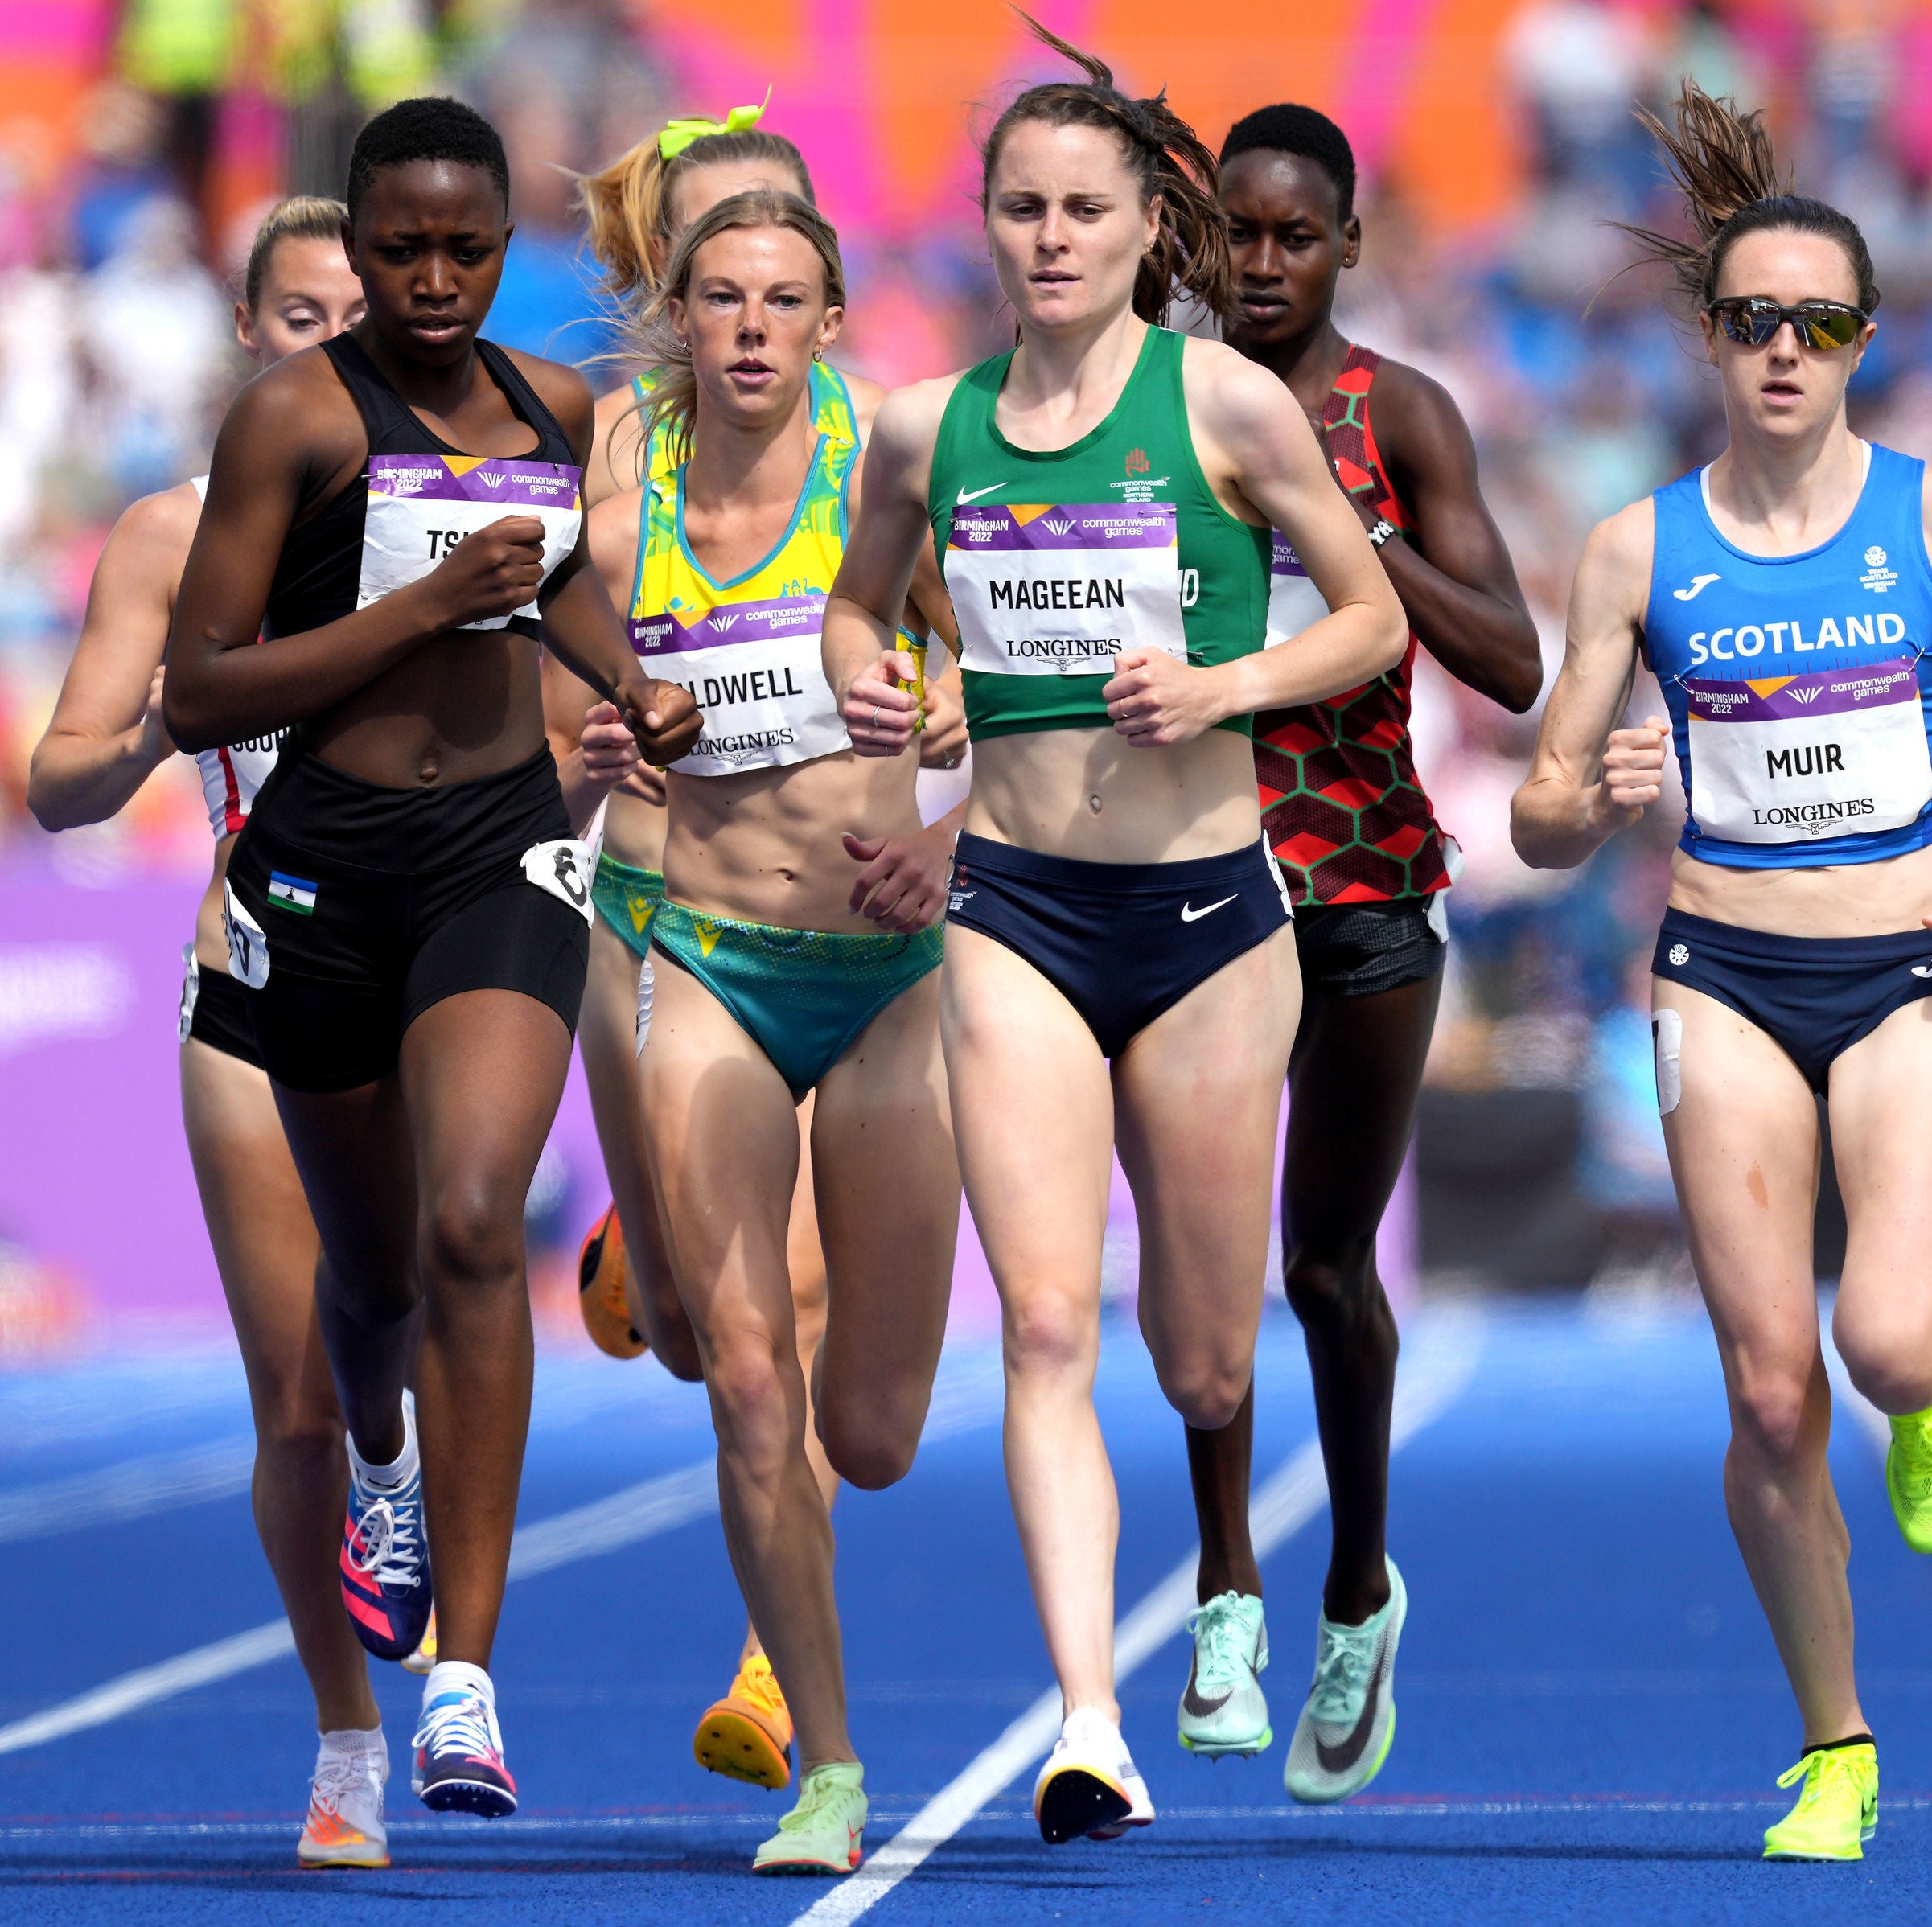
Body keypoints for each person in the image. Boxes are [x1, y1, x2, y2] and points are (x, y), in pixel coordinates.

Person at [1508, 83, 1932, 1862]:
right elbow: (1544, 811)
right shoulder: (1635, 547)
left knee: (1876, 1337)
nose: (1783, 350)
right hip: (1715, 974)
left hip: (1901, 981)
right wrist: (1591, 788)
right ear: (1709, 341)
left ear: (1864, 339)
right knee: (1768, 1382)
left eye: (1819, 322)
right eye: (1750, 321)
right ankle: (1837, 1742)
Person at [824, 23, 1407, 1847]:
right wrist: (880, 684)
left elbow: (1373, 623)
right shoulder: (926, 427)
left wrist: (1224, 675)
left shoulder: (1229, 407)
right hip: (1013, 908)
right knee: (1047, 1328)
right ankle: (1088, 1715)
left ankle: (1288, 1584)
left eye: (1084, 208)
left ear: (1149, 226)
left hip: (1216, 918)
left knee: (1205, 1361)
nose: (1050, 238)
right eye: (1021, 209)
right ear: (986, 226)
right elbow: (858, 614)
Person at [161, 97, 702, 1823]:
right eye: (402, 248)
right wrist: (414, 606)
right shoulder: (293, 424)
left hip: (499, 847)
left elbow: (557, 595)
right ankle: (377, 1454)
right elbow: (200, 688)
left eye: (469, 247)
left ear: (502, 244)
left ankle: (464, 1677)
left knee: (480, 1220)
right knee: (374, 1279)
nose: (437, 277)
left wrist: (633, 680)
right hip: (321, 868)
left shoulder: (561, 409)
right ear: (364, 237)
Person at [557, 102, 968, 1795]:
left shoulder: (898, 452)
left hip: (874, 969)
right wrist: (582, 736)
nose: (745, 323)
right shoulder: (611, 457)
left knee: (864, 1430)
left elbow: (992, 680)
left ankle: (641, 1264)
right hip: (674, 934)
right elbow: (548, 676)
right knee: (742, 1353)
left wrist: (939, 740)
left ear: (825, 309)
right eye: (716, 290)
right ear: (677, 298)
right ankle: (823, 1752)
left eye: (779, 293)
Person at [30, 196, 413, 1872]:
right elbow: (60, 773)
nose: (339, 339)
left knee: (433, 1334)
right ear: (251, 335)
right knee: (298, 1403)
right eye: (305, 315)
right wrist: (133, 751)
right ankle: (347, 1737)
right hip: (254, 967)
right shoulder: (170, 534)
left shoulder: (461, 507)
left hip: (434, 972)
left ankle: (453, 1655)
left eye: (364, 311)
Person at [1174, 102, 1543, 1801]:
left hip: (1366, 873)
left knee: (1325, 1265)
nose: (1260, 264)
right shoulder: (1145, 402)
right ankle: (1226, 1585)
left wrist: (1344, 519)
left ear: (1343, 247)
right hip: (1182, 872)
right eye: (1235, 233)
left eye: (1291, 237)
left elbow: (1513, 662)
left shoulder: (1396, 411)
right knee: (1204, 1273)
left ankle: (1352, 1587)